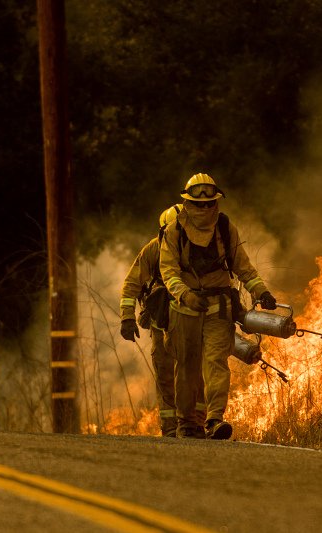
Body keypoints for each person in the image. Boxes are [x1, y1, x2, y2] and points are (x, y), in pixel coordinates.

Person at [160, 172, 277, 439]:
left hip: (218, 309)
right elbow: (168, 271)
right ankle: (187, 422)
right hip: (184, 311)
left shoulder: (224, 227)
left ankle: (214, 419)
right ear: (188, 203)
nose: (204, 209)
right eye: (198, 204)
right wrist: (185, 295)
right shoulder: (173, 231)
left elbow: (243, 266)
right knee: (187, 367)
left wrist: (261, 291)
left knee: (216, 362)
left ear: (216, 203)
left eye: (209, 203)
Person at [119, 205, 206, 437]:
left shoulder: (200, 246)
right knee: (165, 371)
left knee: (194, 371)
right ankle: (170, 427)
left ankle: (197, 424)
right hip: (162, 322)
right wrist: (127, 317)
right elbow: (131, 284)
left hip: (192, 321)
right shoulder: (153, 249)